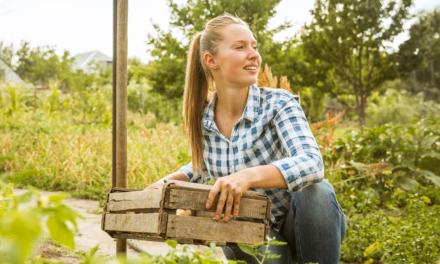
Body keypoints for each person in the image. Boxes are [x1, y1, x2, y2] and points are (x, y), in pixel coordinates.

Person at [146, 14, 346, 264]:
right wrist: (167, 181)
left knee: (316, 190)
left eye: (254, 46)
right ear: (211, 60)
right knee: (259, 247)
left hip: (300, 223)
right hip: (251, 230)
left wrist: (247, 177)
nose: (253, 54)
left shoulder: (279, 103)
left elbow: (311, 162)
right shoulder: (204, 119)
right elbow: (204, 165)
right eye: (240, 47)